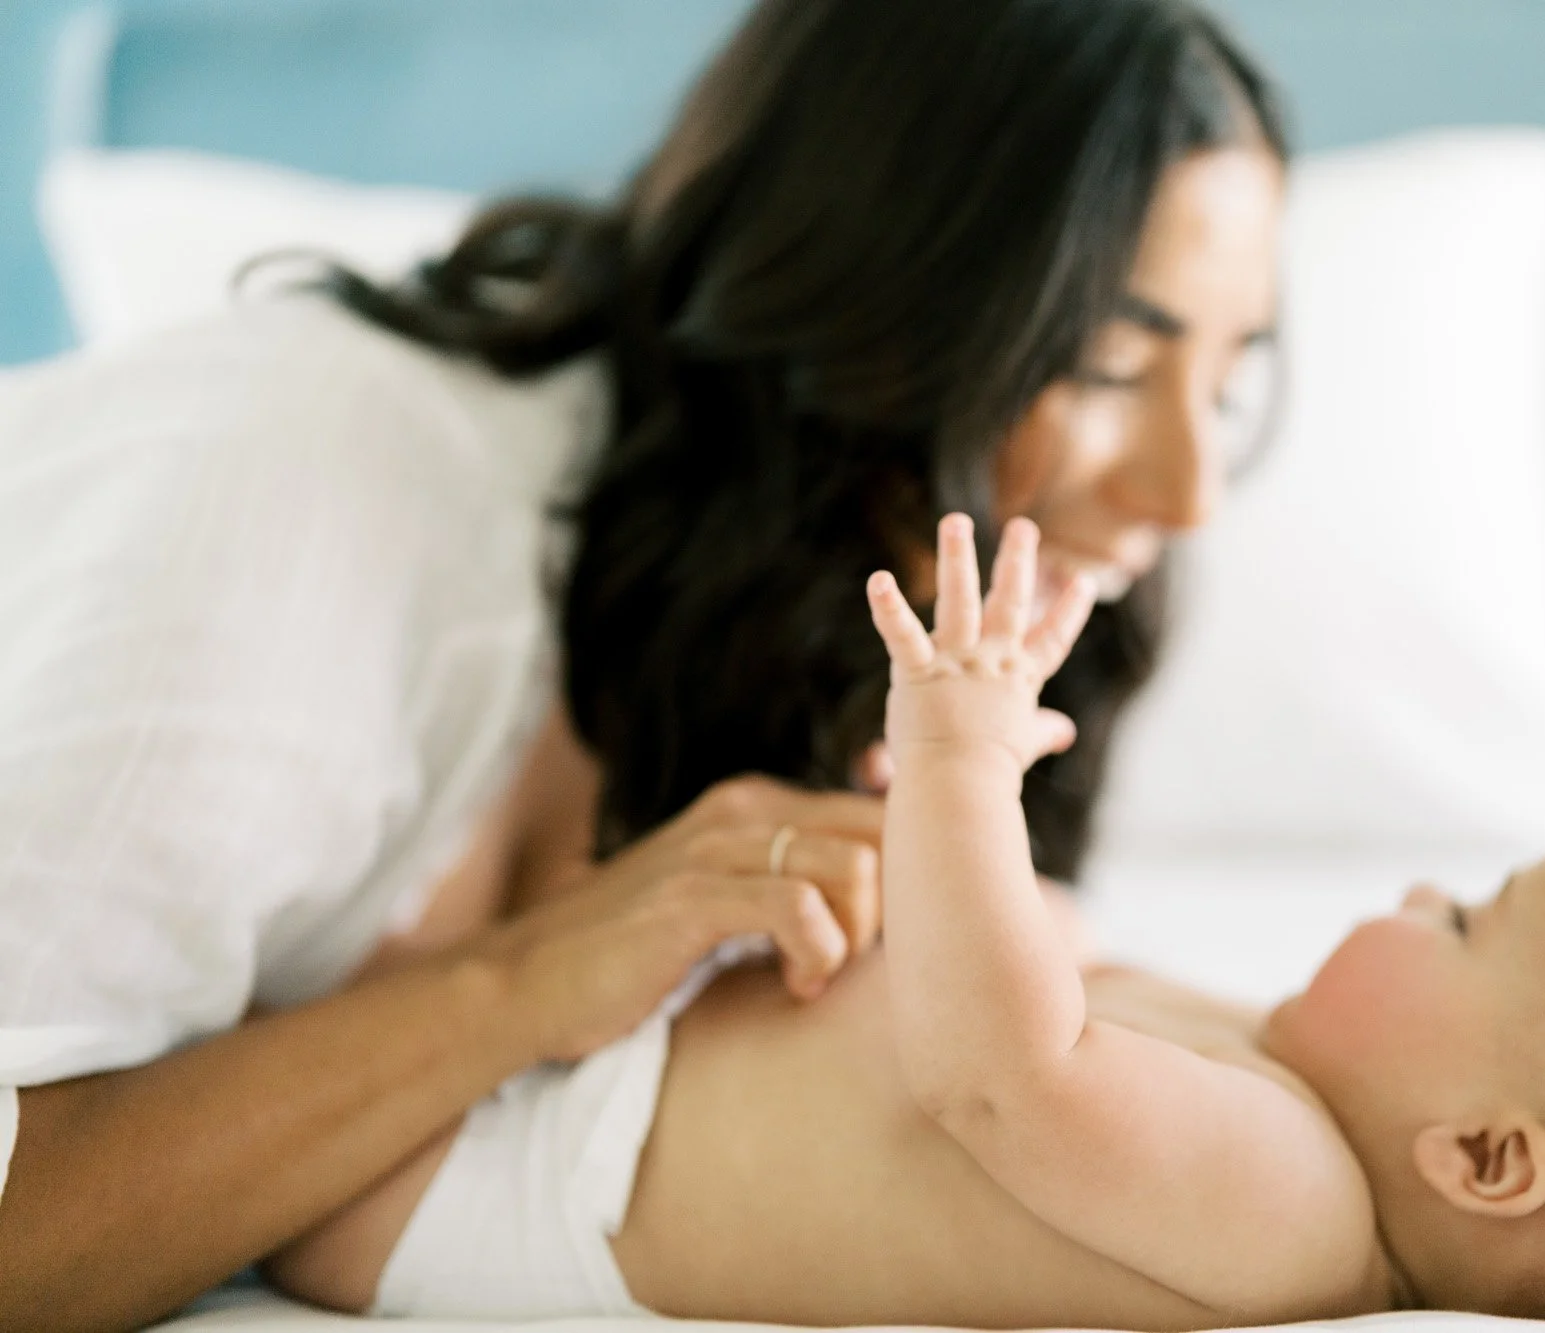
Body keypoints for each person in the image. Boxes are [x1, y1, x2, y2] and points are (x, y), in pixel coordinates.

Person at [0, 1, 1286, 1328]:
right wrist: (516, 988)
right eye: (1110, 365)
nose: (1191, 495)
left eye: (1232, 379)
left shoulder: (892, 613)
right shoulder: (314, 510)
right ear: (867, 295)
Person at [270, 513, 1545, 1333]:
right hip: (625, 1051)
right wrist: (958, 855)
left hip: (531, 1185)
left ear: (1485, 1161)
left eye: (1472, 928)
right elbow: (1056, 983)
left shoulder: (1290, 1207)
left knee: (295, 1055)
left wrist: (965, 766)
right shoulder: (1291, 1089)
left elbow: (1010, 1074)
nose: (1426, 891)